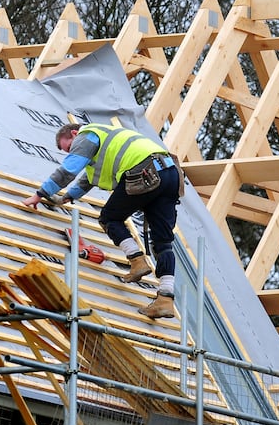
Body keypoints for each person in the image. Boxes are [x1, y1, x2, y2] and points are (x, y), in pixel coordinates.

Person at [21, 122, 183, 319]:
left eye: (70, 148)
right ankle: (165, 299)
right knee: (163, 243)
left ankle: (137, 261)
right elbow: (88, 178)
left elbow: (68, 170)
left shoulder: (88, 135)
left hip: (145, 171)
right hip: (171, 172)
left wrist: (40, 194)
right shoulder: (108, 140)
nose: (72, 152)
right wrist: (66, 197)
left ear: (74, 133)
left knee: (109, 218)